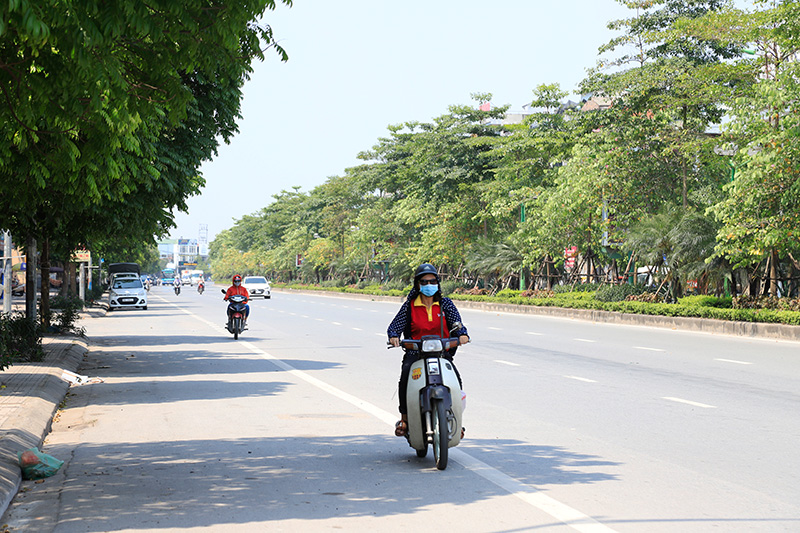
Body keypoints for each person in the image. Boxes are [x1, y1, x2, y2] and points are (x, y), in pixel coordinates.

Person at [387, 263, 469, 437]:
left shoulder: (445, 304)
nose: (429, 285)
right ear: (417, 284)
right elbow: (395, 326)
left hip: (442, 354)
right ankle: (405, 419)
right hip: (415, 354)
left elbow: (457, 324)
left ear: (438, 283)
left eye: (432, 281)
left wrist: (462, 334)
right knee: (405, 379)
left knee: (456, 381)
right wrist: (394, 336)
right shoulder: (410, 306)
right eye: (424, 282)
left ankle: (457, 420)